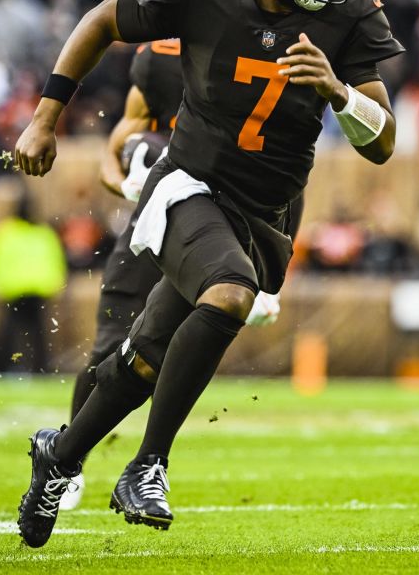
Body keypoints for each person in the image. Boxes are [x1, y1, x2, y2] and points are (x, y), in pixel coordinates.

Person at [11, 0, 404, 547]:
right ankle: (148, 467)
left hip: (265, 212)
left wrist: (338, 92)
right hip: (188, 183)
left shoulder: (348, 19)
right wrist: (44, 120)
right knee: (228, 293)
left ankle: (61, 455)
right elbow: (100, 21)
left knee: (144, 361)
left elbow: (384, 143)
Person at [59, 39, 300, 511]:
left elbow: (289, 173)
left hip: (229, 221)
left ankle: (146, 462)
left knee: (158, 350)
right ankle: (69, 461)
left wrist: (269, 275)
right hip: (161, 214)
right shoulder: (159, 57)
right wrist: (126, 178)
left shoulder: (270, 53)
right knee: (110, 346)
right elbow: (120, 142)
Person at [0, 192, 67, 373]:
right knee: (22, 333)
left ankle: (26, 368)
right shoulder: (40, 232)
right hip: (25, 290)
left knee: (24, 333)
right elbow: (55, 261)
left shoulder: (7, 232)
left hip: (22, 290)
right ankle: (27, 367)